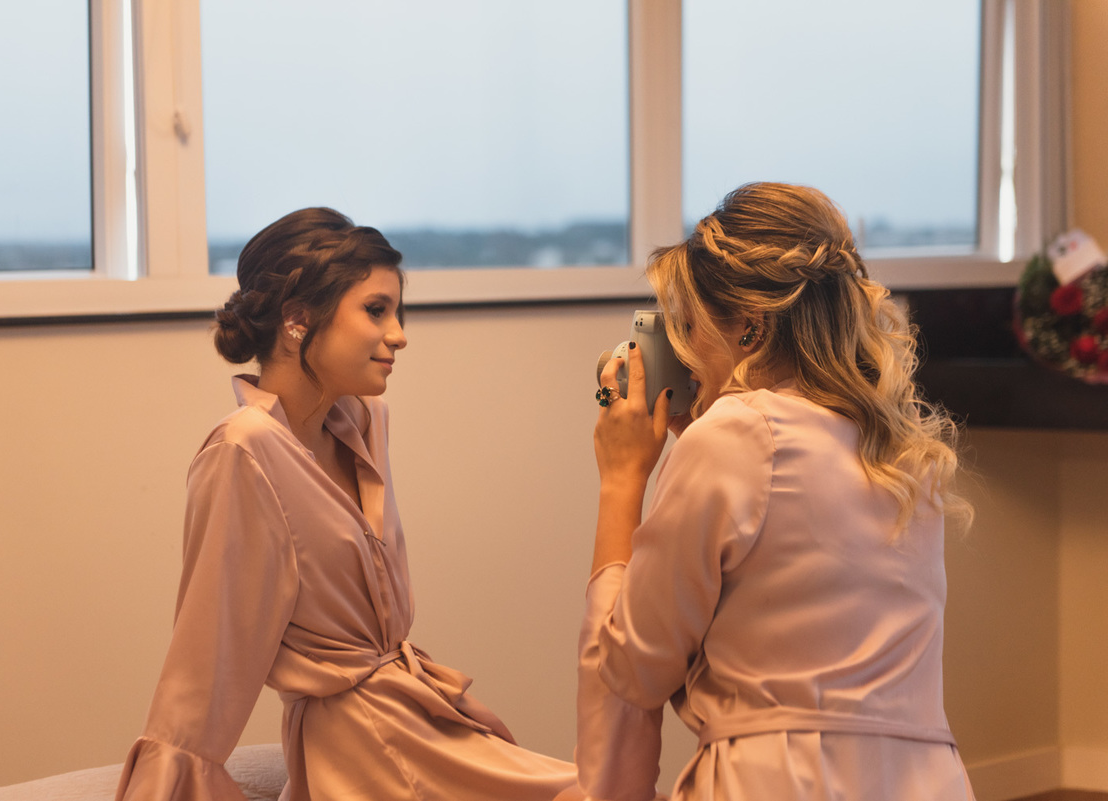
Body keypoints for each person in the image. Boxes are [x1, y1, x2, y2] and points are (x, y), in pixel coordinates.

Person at [114, 208, 576, 801]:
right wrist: (172, 776)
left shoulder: (364, 421)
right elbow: (206, 658)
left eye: (397, 312)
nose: (399, 334)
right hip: (364, 754)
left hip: (420, 721)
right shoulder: (242, 451)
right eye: (376, 310)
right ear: (297, 319)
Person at [575, 183, 976, 800]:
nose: (681, 349)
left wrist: (623, 480)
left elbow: (634, 670)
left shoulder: (732, 438)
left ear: (750, 329)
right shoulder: (902, 452)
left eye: (688, 325)